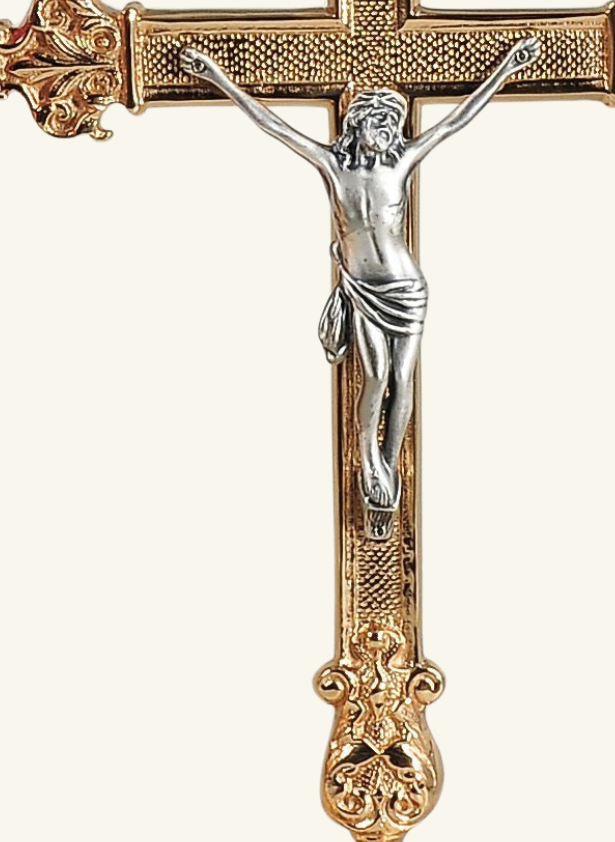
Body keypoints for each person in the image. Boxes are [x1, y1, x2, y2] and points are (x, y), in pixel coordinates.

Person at [179, 36, 540, 529]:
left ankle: (390, 466)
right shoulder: (334, 165)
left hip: (406, 287)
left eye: (392, 124)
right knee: (374, 376)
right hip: (363, 288)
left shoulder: (403, 161)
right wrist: (217, 77)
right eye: (378, 122)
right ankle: (368, 457)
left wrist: (507, 69)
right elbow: (271, 123)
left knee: (403, 380)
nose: (386, 131)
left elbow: (456, 120)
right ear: (358, 124)